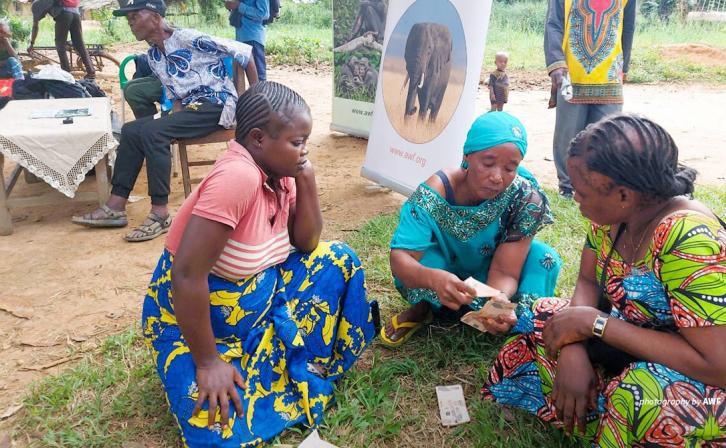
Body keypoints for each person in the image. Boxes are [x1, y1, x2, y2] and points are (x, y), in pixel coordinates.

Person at [141, 80, 377, 446]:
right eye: (297, 142)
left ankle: (280, 357)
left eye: (306, 141)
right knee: (215, 424)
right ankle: (228, 362)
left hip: (263, 296)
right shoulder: (238, 177)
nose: (305, 151)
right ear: (257, 139)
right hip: (200, 322)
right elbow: (186, 275)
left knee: (339, 261)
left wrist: (307, 178)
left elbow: (307, 243)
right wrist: (207, 362)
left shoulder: (281, 171)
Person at [482, 114, 726, 446]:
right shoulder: (613, 216)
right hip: (636, 343)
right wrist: (573, 347)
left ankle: (609, 415)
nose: (575, 198)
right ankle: (595, 411)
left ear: (624, 195)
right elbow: (587, 281)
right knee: (547, 316)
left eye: (581, 192)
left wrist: (596, 325)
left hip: (707, 381)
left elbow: (716, 365)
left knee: (641, 392)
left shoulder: (689, 238)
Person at [72, 0, 259, 242]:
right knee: (131, 130)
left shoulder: (188, 37)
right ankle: (115, 206)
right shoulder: (153, 56)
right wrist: (172, 119)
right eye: (128, 18)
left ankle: (160, 213)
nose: (130, 22)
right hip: (190, 110)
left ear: (155, 17)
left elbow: (245, 52)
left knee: (153, 132)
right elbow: (175, 96)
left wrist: (253, 100)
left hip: (217, 105)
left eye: (134, 16)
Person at [380, 112, 562, 347]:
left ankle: (519, 324)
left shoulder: (525, 197)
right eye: (488, 163)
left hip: (490, 274)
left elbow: (506, 271)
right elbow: (400, 259)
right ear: (467, 155)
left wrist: (498, 302)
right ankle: (424, 308)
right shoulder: (435, 193)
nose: (497, 177)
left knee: (544, 258)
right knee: (422, 261)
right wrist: (433, 279)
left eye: (510, 168)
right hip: (445, 270)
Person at [545, 0, 635, 198]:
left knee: (607, 135)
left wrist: (625, 67)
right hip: (571, 73)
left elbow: (628, 27)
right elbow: (553, 24)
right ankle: (568, 187)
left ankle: (597, 186)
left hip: (610, 75)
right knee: (568, 133)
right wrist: (556, 63)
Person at [28, 0, 96, 79]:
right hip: (76, 13)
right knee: (79, 43)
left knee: (60, 45)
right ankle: (91, 71)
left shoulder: (36, 4)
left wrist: (32, 43)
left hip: (64, 14)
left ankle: (66, 74)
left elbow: (35, 27)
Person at [226, 0, 269, 81]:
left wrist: (239, 6)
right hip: (241, 38)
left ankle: (261, 93)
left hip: (253, 38)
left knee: (259, 80)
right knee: (239, 78)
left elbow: (264, 14)